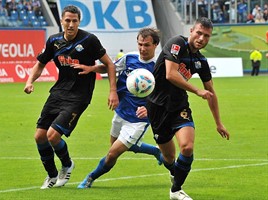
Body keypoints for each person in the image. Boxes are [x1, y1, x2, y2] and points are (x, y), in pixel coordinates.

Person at [23, 5, 119, 189]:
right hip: (59, 92)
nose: (71, 24)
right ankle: (51, 176)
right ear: (61, 21)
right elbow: (40, 64)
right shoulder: (54, 41)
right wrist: (29, 81)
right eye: (67, 20)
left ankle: (67, 164)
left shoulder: (89, 40)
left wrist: (112, 90)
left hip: (79, 96)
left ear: (79, 22)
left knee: (52, 136)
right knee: (39, 136)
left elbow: (110, 65)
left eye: (74, 21)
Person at [145, 17, 230, 200]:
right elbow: (170, 74)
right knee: (168, 158)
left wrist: (218, 123)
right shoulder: (177, 44)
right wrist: (197, 90)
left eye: (206, 36)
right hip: (157, 106)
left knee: (187, 146)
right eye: (199, 33)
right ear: (191, 31)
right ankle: (174, 172)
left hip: (179, 106)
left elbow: (211, 91)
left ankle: (176, 190)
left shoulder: (201, 61)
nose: (201, 38)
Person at [71, 27, 162, 189]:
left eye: (147, 45)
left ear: (155, 45)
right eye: (140, 44)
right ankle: (155, 151)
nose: (142, 48)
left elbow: (164, 95)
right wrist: (92, 69)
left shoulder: (159, 67)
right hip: (120, 112)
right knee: (117, 147)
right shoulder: (129, 58)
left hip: (138, 120)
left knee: (112, 153)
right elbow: (109, 67)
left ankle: (90, 178)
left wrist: (149, 108)